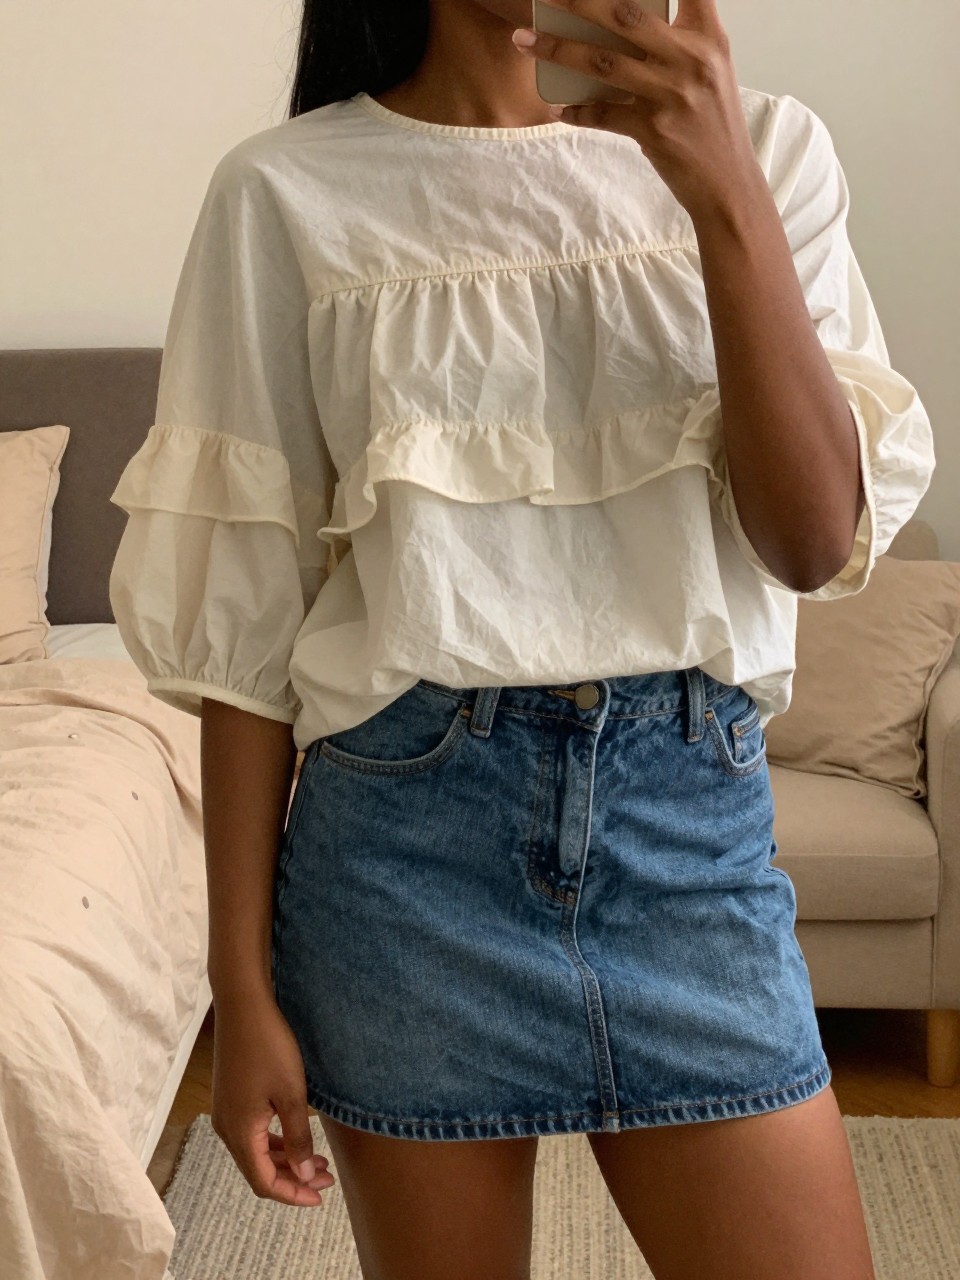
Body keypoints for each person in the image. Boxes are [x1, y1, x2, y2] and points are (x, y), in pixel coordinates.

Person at [109, 1, 935, 1276]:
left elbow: (816, 539)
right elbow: (247, 636)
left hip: (689, 848)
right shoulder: (284, 192)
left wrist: (719, 188)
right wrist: (241, 987)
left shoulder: (767, 149)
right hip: (402, 859)